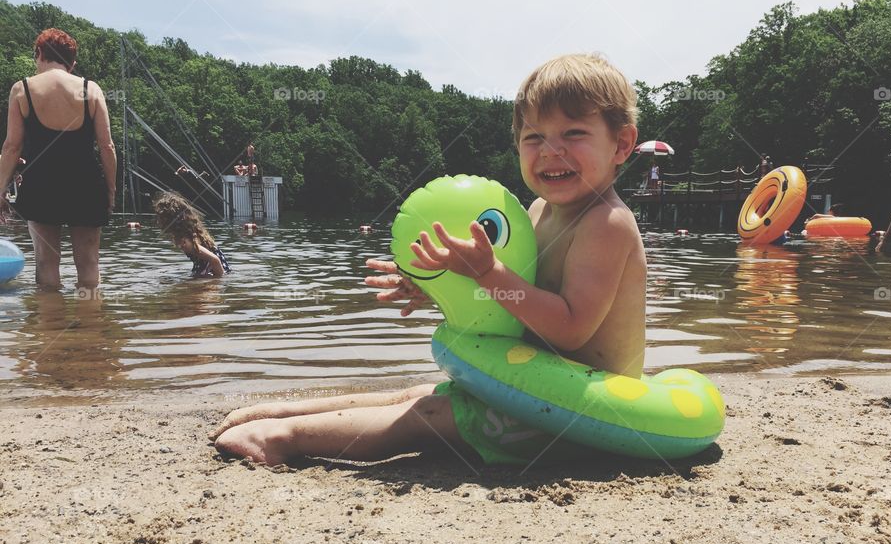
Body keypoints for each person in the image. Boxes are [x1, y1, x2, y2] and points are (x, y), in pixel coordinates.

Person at [212, 53, 645, 466]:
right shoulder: (536, 212)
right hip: (537, 388)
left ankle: (283, 440)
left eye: (573, 134)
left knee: (427, 416)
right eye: (534, 137)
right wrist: (437, 286)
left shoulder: (606, 223)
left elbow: (569, 329)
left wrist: (488, 271)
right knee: (419, 393)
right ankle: (281, 412)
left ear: (622, 144)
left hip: (585, 413)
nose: (551, 151)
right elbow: (512, 306)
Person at [0, 28, 115, 291]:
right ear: (71, 63)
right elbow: (107, 146)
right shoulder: (90, 89)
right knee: (88, 264)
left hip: (41, 183)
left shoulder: (22, 89)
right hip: (86, 183)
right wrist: (110, 190)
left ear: (39, 54)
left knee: (46, 263)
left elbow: (11, 147)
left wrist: (0, 190)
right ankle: (89, 327)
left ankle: (49, 328)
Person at [153, 191, 230, 277]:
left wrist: (219, 282)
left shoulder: (186, 242)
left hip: (214, 270)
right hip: (207, 268)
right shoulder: (188, 234)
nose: (158, 221)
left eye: (160, 217)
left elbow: (215, 260)